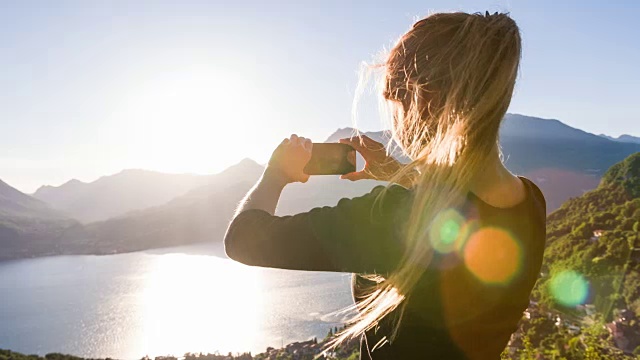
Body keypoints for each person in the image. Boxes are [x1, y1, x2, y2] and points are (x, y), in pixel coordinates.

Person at [224, 11, 546, 360]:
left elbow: (243, 239)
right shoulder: (529, 200)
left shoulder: (395, 216)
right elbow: (461, 208)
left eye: (393, 99)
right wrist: (397, 172)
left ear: (422, 99)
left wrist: (276, 175)